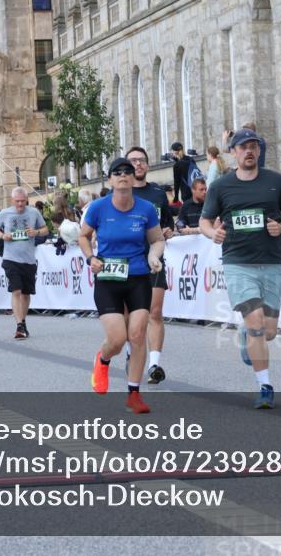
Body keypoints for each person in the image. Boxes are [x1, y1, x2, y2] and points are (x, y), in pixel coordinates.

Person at [200, 128, 281, 409]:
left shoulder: (275, 181)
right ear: (233, 152)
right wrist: (212, 234)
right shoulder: (221, 186)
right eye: (243, 147)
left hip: (271, 261)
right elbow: (207, 220)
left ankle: (247, 334)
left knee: (268, 331)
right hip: (238, 263)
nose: (249, 151)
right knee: (255, 321)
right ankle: (265, 385)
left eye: (253, 146)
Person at [79, 157, 165, 414]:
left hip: (138, 277)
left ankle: (134, 394)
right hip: (108, 279)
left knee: (137, 335)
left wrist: (153, 255)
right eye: (118, 172)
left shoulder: (146, 208)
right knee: (117, 339)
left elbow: (158, 239)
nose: (124, 175)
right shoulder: (98, 208)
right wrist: (90, 258)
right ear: (110, 180)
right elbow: (83, 236)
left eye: (128, 171)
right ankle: (103, 358)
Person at [126, 146, 176, 385]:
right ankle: (130, 351)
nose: (138, 164)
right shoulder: (121, 195)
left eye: (142, 160)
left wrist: (168, 231)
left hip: (154, 260)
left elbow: (168, 226)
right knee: (130, 316)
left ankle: (154, 364)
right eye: (133, 161)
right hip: (127, 261)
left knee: (154, 313)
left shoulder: (157, 194)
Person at [0, 187, 49, 339]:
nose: (20, 204)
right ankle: (19, 325)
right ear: (12, 200)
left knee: (26, 293)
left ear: (26, 200)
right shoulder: (5, 213)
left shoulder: (34, 212)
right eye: (17, 201)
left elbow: (46, 229)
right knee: (16, 290)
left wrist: (36, 232)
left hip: (28, 258)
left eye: (23, 201)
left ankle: (23, 321)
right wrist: (3, 236)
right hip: (11, 258)